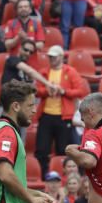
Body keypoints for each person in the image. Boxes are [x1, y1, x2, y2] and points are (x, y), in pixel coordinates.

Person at [34, 45, 87, 174]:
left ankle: (61, 176)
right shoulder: (45, 72)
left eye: (54, 57)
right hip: (46, 115)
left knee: (62, 149)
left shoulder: (70, 71)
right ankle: (43, 175)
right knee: (42, 149)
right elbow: (36, 91)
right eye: (50, 57)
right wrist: (46, 91)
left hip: (64, 117)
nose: (51, 59)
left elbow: (81, 91)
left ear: (61, 57)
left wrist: (63, 91)